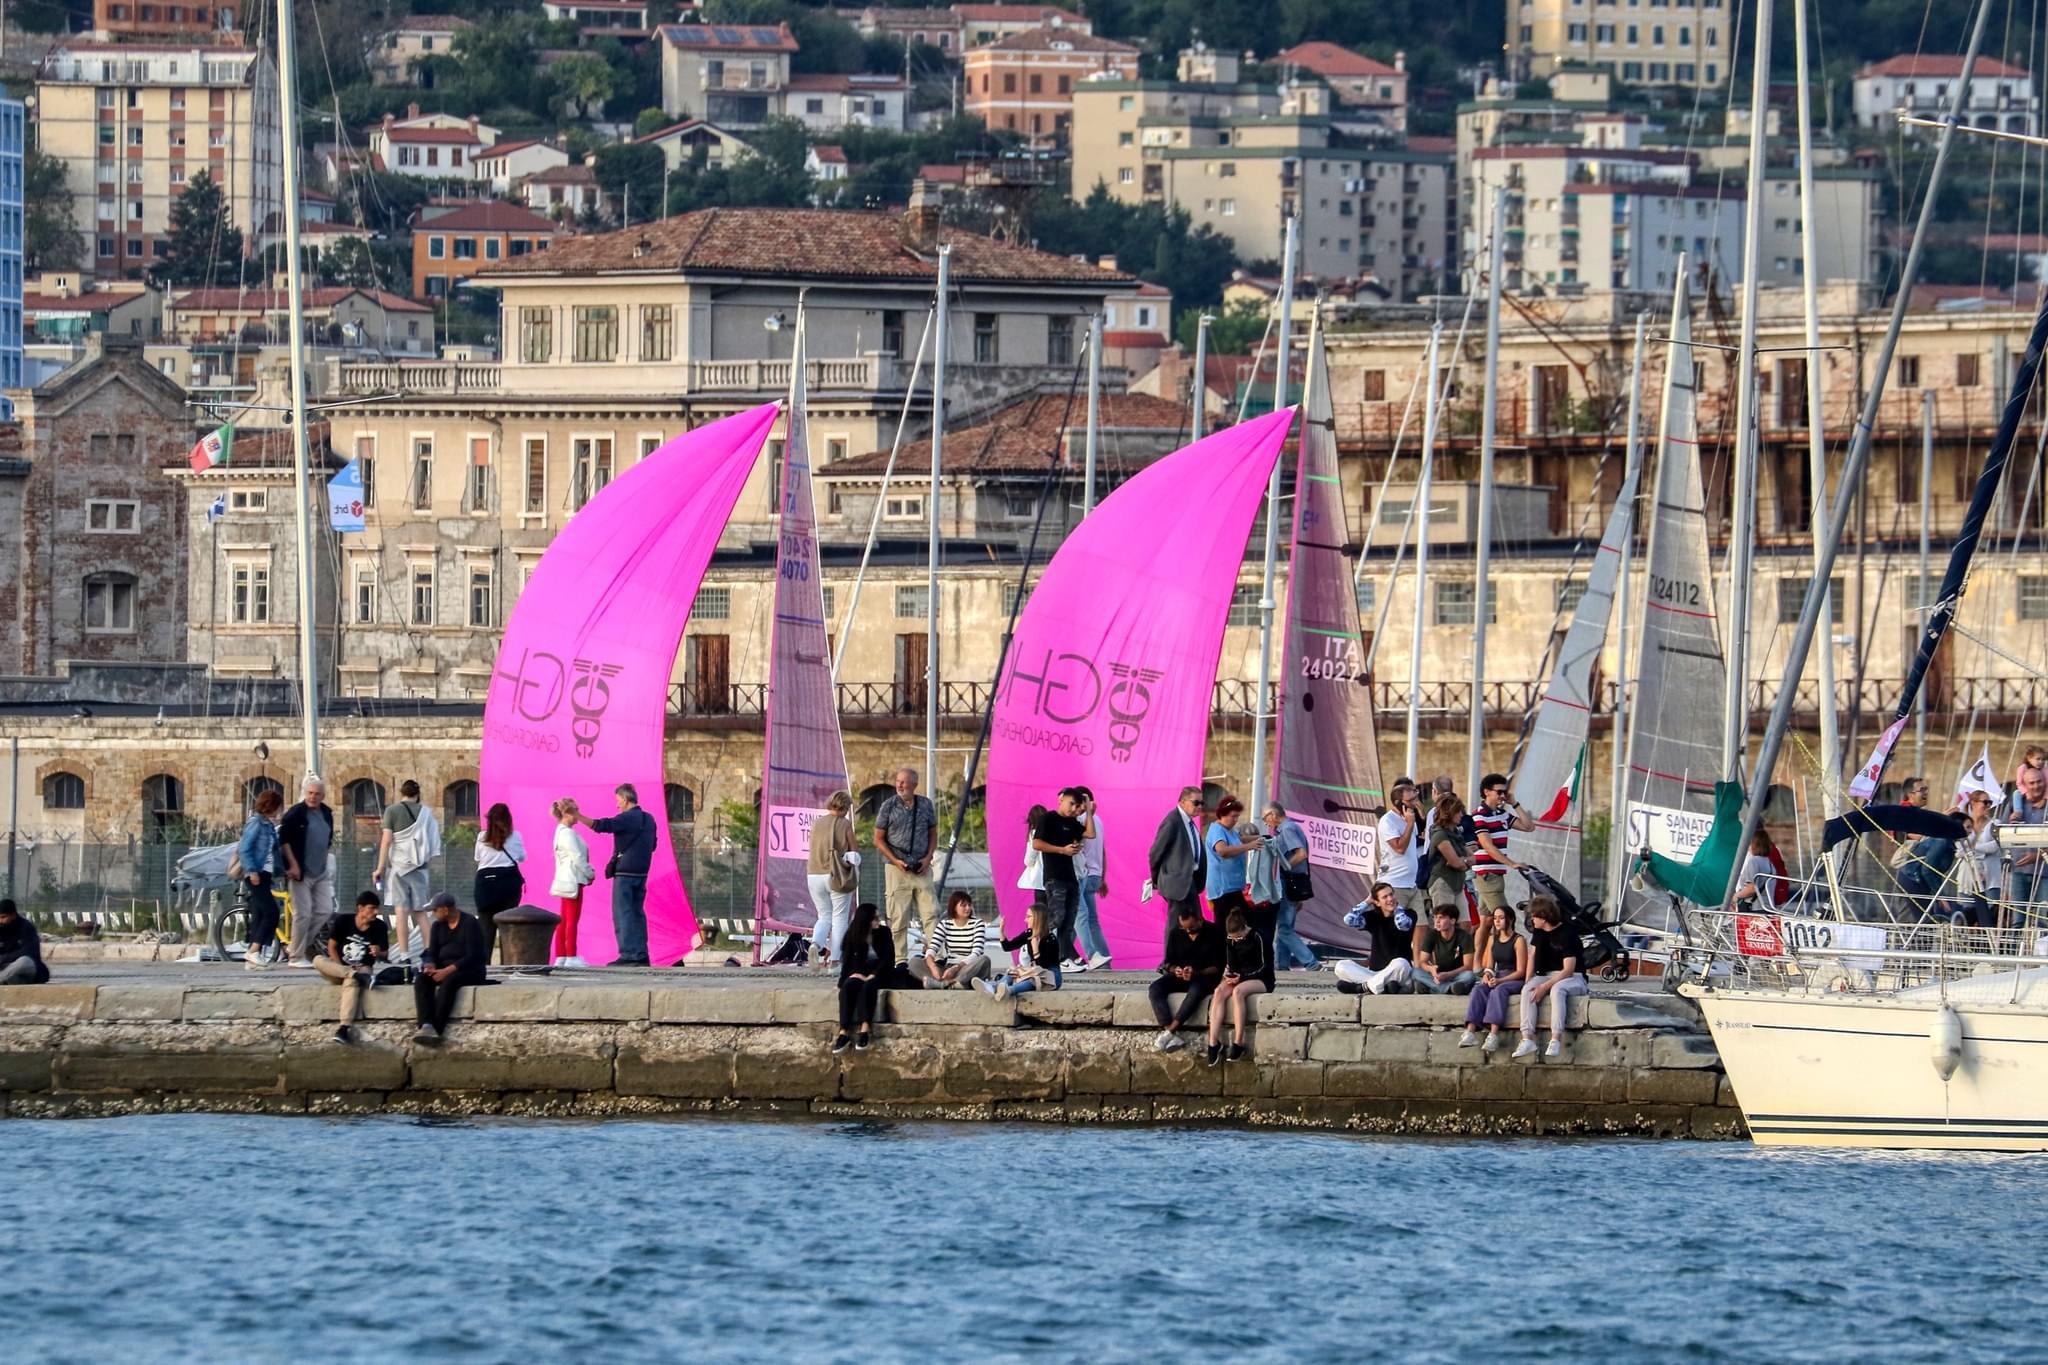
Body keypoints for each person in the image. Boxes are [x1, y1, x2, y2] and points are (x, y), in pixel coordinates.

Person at [583, 783, 658, 966]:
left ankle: (628, 955)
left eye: (618, 801)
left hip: (625, 873)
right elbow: (653, 845)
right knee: (637, 913)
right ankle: (641, 954)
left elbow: (601, 825)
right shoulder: (650, 820)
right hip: (642, 873)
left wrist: (577, 816)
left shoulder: (626, 818)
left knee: (623, 914)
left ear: (625, 799)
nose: (617, 805)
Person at [873, 767, 938, 967]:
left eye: (904, 781)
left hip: (921, 867)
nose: (900, 785)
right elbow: (878, 839)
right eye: (898, 781)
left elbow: (933, 833)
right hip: (896, 868)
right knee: (898, 915)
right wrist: (895, 860)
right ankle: (899, 959)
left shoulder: (926, 805)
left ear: (914, 784)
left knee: (931, 912)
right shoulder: (888, 806)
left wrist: (928, 858)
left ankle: (935, 954)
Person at [373, 778, 440, 962]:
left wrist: (380, 867)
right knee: (420, 912)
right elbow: (433, 843)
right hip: (420, 868)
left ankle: (404, 954)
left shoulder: (392, 811)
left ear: (401, 793)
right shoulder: (426, 813)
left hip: (399, 868)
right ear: (417, 795)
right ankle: (429, 951)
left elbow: (386, 841)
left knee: (401, 911)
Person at [1514, 896, 1587, 1059]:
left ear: (1544, 916)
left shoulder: (1568, 934)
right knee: (1527, 990)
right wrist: (1529, 981)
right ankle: (1527, 1038)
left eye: (1534, 915)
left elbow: (1568, 970)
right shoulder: (1539, 933)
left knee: (1557, 990)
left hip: (1573, 977)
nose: (1532, 919)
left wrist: (1543, 988)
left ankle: (1556, 1038)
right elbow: (1532, 956)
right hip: (1547, 975)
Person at [413, 892, 488, 1045]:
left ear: (445, 910)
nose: (433, 914)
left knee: (450, 982)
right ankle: (425, 1024)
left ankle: (436, 1028)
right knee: (422, 980)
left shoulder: (469, 923)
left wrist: (447, 971)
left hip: (468, 969)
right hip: (443, 967)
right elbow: (431, 952)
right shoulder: (437, 927)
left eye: (435, 910)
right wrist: (430, 965)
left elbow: (474, 955)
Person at [278, 775, 337, 967]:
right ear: (305, 793)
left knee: (324, 910)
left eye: (317, 794)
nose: (313, 797)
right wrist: (292, 865)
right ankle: (295, 956)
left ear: (323, 795)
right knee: (303, 914)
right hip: (301, 871)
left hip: (321, 871)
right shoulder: (295, 814)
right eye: (310, 793)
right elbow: (284, 840)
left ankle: (296, 946)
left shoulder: (327, 813)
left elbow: (327, 840)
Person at [1150, 903, 1225, 1051]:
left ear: (1199, 920)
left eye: (1191, 928)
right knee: (1155, 988)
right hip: (1180, 976)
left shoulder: (1215, 932)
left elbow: (1218, 966)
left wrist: (1197, 972)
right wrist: (1175, 969)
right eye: (1185, 929)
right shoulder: (1176, 933)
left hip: (1204, 976)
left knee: (1196, 992)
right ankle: (1169, 1030)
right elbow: (1168, 962)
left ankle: (1171, 1031)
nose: (1188, 932)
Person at [318, 890, 390, 1045]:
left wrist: (378, 952)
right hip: (340, 967)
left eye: (377, 909)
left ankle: (343, 1028)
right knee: (318, 960)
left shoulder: (379, 926)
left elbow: (385, 954)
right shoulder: (344, 921)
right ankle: (353, 975)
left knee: (351, 982)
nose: (375, 912)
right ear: (360, 908)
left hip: (363, 968)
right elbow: (331, 946)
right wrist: (341, 968)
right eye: (372, 908)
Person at [1030, 788, 1090, 972]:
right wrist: (1062, 850)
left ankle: (1063, 957)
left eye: (1077, 806)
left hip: (1070, 877)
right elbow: (1037, 843)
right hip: (1054, 876)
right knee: (1056, 917)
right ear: (1061, 800)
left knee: (1069, 920)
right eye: (1071, 803)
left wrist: (1090, 811)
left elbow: (1089, 834)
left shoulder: (1072, 822)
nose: (1073, 809)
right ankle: (1032, 949)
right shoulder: (1048, 819)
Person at [1205, 908, 1272, 1066]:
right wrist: (1229, 975)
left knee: (1238, 992)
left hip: (1260, 978)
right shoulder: (1230, 939)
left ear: (1244, 929)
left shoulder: (1258, 937)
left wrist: (1242, 977)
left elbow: (1264, 966)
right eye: (1233, 939)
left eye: (1239, 938)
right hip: (1238, 976)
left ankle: (1239, 1040)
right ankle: (1213, 1042)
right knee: (1219, 992)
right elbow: (1231, 962)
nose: (1236, 941)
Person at [1459, 904, 1531, 1052]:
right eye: (1495, 918)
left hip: (1513, 978)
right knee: (1479, 989)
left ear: (1510, 920)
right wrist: (1487, 974)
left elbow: (1521, 971)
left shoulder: (1518, 940)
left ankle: (1493, 1034)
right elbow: (1490, 965)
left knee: (1498, 992)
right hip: (1497, 976)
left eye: (1501, 918)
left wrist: (1500, 981)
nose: (1497, 921)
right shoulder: (1493, 939)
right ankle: (1470, 1031)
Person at [1147, 785, 1208, 955]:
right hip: (1176, 881)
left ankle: (1188, 958)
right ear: (1182, 802)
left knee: (1195, 921)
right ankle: (1169, 961)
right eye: (1196, 803)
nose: (1200, 807)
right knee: (1176, 922)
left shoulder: (1189, 823)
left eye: (1202, 803)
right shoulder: (1173, 821)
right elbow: (1155, 852)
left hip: (1191, 880)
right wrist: (1156, 878)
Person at [1261, 804, 1319, 970]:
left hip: (1289, 882)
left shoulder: (1287, 829)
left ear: (1273, 814)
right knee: (1286, 927)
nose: (1266, 823)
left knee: (1285, 928)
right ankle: (1282, 965)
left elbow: (1301, 854)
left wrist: (1283, 866)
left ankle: (1311, 962)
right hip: (1295, 882)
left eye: (1266, 819)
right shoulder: (1292, 827)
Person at [805, 791, 858, 970]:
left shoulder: (817, 824)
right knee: (840, 918)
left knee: (824, 916)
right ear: (844, 807)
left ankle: (816, 945)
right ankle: (836, 961)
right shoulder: (844, 824)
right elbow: (854, 851)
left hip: (813, 875)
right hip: (836, 875)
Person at [1334, 882, 1415, 994]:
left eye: (1391, 894)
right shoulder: (1373, 917)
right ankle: (1380, 986)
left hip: (1397, 973)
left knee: (1402, 963)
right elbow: (1349, 920)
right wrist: (1367, 902)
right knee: (1341, 966)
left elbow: (1402, 924)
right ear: (1377, 902)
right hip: (1373, 973)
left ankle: (1362, 988)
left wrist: (1397, 908)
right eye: (1385, 897)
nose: (1390, 898)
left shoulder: (1409, 914)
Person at [1470, 773, 1534, 915]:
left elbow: (1529, 827)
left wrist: (1515, 804)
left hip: (1496, 874)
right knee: (1505, 917)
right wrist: (1512, 863)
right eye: (1499, 792)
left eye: (1505, 792)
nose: (1503, 796)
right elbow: (1488, 846)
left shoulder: (1502, 814)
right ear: (1487, 792)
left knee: (1486, 921)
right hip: (1487, 874)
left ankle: (1476, 938)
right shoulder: (1479, 815)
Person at [833, 901, 892, 1053]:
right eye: (875, 919)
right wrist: (844, 980)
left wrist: (873, 975)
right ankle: (843, 1031)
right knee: (848, 987)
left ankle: (864, 1028)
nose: (878, 922)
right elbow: (847, 961)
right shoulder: (852, 934)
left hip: (881, 971)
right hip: (860, 970)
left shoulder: (885, 933)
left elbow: (888, 959)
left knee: (868, 987)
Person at [236, 787, 284, 970]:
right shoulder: (256, 823)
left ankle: (253, 958)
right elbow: (245, 848)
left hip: (266, 874)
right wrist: (252, 870)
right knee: (271, 912)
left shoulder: (268, 825)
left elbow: (273, 851)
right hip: (256, 873)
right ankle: (254, 950)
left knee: (260, 914)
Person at [472, 802, 527, 960]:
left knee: (485, 929)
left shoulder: (482, 837)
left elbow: (477, 857)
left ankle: (484, 966)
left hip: (485, 885)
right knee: (507, 928)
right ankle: (507, 964)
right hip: (508, 883)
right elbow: (522, 857)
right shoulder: (516, 836)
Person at [981, 904, 1063, 1000]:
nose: (1025, 920)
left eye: (1028, 917)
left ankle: (1009, 990)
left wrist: (1035, 949)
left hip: (1050, 975)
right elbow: (1008, 947)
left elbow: (1042, 966)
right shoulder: (1029, 933)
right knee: (1013, 972)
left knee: (1032, 979)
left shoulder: (1050, 939)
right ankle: (994, 987)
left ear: (1037, 918)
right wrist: (1002, 932)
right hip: (1035, 970)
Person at [549, 798, 595, 967]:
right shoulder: (567, 834)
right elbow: (578, 857)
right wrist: (590, 873)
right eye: (575, 810)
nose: (578, 814)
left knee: (564, 918)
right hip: (573, 879)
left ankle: (561, 954)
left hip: (565, 879)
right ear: (567, 812)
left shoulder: (560, 831)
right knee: (572, 919)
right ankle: (571, 955)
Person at [1204, 795, 1262, 926]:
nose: (1236, 820)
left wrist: (1261, 838)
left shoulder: (1229, 830)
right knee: (1227, 927)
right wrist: (1249, 847)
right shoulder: (1216, 831)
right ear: (1223, 815)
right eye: (1233, 816)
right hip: (1223, 891)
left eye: (1238, 817)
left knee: (1246, 922)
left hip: (1233, 888)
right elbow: (1223, 851)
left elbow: (1241, 839)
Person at [1073, 786, 1111, 970]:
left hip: (1083, 874)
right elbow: (1102, 851)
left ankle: (1092, 955)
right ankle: (1103, 958)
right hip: (1096, 874)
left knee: (1079, 917)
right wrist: (1103, 877)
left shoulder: (1081, 820)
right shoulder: (1099, 820)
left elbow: (1077, 845)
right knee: (1089, 919)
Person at [1377, 778, 1427, 921]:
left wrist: (1420, 816)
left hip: (1412, 884)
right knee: (1395, 930)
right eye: (1411, 800)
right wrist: (1410, 824)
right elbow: (1400, 848)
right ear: (1400, 803)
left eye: (1416, 798)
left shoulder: (1410, 817)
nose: (1415, 803)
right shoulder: (1388, 821)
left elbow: (1419, 840)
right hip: (1394, 885)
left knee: (1421, 925)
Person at [923, 889, 991, 988]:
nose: (968, 908)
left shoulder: (978, 924)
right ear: (954, 907)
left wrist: (957, 967)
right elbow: (932, 949)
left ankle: (944, 984)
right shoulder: (945, 924)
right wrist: (933, 967)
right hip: (948, 968)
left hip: (968, 967)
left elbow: (977, 952)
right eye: (963, 905)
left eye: (969, 905)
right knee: (914, 963)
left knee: (984, 960)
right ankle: (952, 983)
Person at [1412, 903, 1476, 994]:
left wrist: (1448, 975)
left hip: (1457, 975)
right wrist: (1431, 969)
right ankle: (1450, 989)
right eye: (1435, 917)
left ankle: (1432, 989)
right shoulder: (1432, 934)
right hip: (1438, 975)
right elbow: (1422, 961)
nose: (1437, 921)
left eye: (1441, 917)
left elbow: (1468, 966)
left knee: (1470, 976)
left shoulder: (1464, 936)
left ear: (1452, 921)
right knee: (1415, 972)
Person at [1425, 794, 1472, 919]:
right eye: (1458, 812)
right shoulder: (1440, 835)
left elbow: (1469, 856)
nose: (1461, 815)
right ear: (1448, 813)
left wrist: (1464, 861)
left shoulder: (1456, 833)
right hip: (1443, 883)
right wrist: (1465, 861)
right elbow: (1456, 862)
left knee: (1465, 923)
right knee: (1444, 923)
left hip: (1457, 883)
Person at [1966, 790, 2006, 929]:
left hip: (1991, 878)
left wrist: (1972, 847)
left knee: (1991, 917)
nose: (1988, 806)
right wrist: (1975, 848)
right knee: (1968, 914)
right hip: (1968, 877)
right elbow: (1959, 850)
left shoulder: (1995, 823)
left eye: (1990, 802)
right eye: (1985, 802)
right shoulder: (1965, 824)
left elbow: (1995, 847)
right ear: (1973, 803)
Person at [1735, 830, 1790, 910]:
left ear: (1754, 844)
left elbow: (1751, 889)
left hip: (1753, 909)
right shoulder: (1770, 864)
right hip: (1767, 908)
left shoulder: (1753, 862)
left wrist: (1735, 897)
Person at [0, 899, 48, 984]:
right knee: (14, 979)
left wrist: (4, 958)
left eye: (3, 917)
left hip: (27, 967)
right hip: (7, 969)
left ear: (13, 915)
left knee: (24, 961)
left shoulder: (26, 927)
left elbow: (30, 952)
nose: (0, 921)